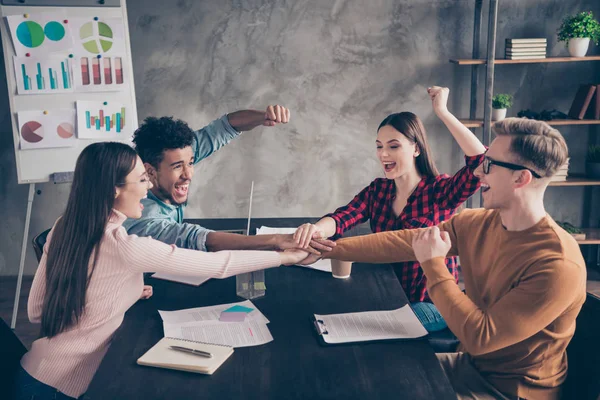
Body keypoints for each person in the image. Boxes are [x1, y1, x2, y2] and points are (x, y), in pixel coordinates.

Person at [313, 118, 587, 399]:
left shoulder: (557, 264)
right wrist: (325, 248)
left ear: (521, 178)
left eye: (489, 164)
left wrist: (433, 265)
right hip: (468, 367)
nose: (479, 172)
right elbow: (406, 241)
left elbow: (480, 338)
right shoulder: (477, 223)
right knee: (355, 375)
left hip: (509, 392)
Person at [15, 142, 309, 400]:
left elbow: (37, 311)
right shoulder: (124, 246)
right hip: (61, 389)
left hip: (31, 374)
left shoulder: (64, 225)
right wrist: (285, 258)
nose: (147, 188)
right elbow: (218, 265)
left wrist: (125, 291)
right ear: (113, 189)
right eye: (142, 179)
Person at [293, 87, 486, 331]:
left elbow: (480, 162)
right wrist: (316, 229)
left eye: (393, 146)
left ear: (416, 149)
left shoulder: (440, 191)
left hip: (430, 304)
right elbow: (344, 217)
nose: (383, 154)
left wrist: (442, 112)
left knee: (358, 326)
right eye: (379, 146)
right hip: (387, 295)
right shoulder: (379, 190)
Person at [124, 105, 333, 255]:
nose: (189, 174)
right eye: (178, 167)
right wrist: (279, 240)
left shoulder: (171, 156)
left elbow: (226, 126)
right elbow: (199, 239)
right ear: (149, 171)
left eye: (191, 162)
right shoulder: (140, 216)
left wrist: (264, 116)